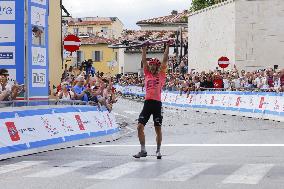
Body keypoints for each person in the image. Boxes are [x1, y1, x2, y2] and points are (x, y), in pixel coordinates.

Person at [133, 41, 170, 159]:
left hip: (157, 104)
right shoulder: (147, 73)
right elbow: (144, 61)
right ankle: (143, 150)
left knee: (158, 128)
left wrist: (167, 46)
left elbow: (165, 60)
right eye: (151, 64)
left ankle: (158, 150)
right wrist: (144, 49)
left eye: (154, 65)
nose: (152, 66)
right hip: (147, 103)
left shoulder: (161, 75)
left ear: (157, 66)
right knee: (139, 127)